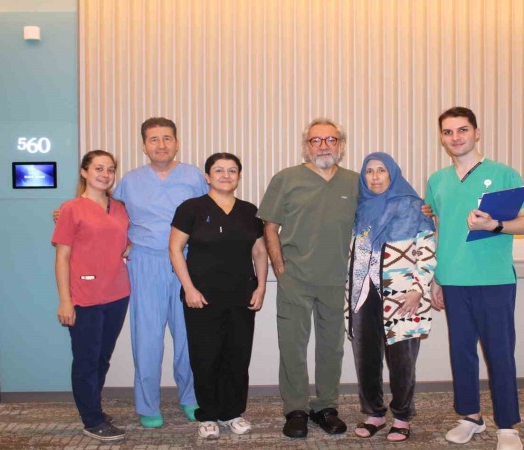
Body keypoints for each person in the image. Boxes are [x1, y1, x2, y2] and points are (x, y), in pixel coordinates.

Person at [56, 118, 207, 427]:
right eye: (154, 139)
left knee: (188, 338)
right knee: (147, 339)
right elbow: (104, 212)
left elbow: (210, 211)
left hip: (186, 263)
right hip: (145, 264)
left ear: (176, 143)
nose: (161, 144)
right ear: (144, 146)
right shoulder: (130, 180)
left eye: (167, 138)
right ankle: (148, 405)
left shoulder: (193, 177)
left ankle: (191, 398)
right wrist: (65, 213)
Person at [425, 107, 524, 450]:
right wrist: (437, 277)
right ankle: (470, 417)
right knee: (461, 351)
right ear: (442, 138)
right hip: (453, 279)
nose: (455, 137)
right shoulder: (437, 180)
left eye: (462, 130)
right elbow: (439, 229)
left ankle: (507, 425)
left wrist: (495, 225)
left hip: (494, 279)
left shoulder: (504, 174)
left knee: (499, 352)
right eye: (448, 132)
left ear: (477, 133)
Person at [258, 118, 358, 438]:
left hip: (336, 279)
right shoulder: (286, 179)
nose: (323, 146)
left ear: (341, 145)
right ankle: (296, 409)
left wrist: (421, 210)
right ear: (306, 146)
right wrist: (279, 267)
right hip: (295, 279)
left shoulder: (355, 182)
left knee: (332, 347)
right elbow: (270, 226)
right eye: (316, 140)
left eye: (331, 140)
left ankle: (326, 406)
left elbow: (383, 211)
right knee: (292, 346)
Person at [169, 153, 268, 439]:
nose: (226, 175)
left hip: (241, 296)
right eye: (219, 170)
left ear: (239, 176)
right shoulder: (191, 208)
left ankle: (232, 413)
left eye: (232, 170)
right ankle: (208, 415)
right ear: (207, 176)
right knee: (205, 357)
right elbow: (175, 249)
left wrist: (261, 287)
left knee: (237, 355)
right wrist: (189, 288)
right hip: (202, 297)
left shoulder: (249, 211)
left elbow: (259, 251)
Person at [346, 152, 437, 443]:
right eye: (369, 171)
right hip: (363, 294)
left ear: (393, 174)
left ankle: (402, 417)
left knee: (402, 360)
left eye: (381, 170)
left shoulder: (413, 207)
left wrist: (418, 289)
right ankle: (374, 413)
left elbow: (427, 252)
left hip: (402, 295)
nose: (375, 177)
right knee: (366, 358)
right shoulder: (359, 208)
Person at [52, 150, 130, 442]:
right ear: (84, 172)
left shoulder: (120, 208)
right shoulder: (71, 209)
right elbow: (62, 257)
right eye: (98, 168)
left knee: (102, 359)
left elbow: (129, 240)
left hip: (117, 293)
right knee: (86, 360)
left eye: (110, 169)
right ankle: (92, 420)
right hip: (84, 297)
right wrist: (65, 300)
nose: (105, 174)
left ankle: (93, 408)